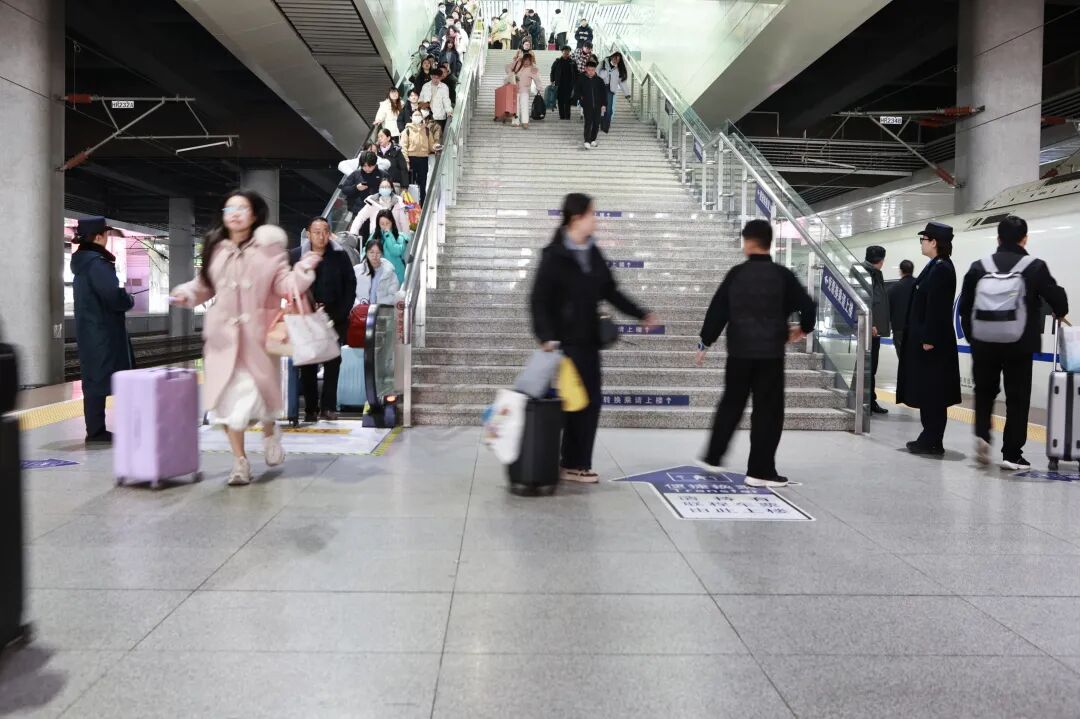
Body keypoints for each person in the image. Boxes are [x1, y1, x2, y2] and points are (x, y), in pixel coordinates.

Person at [170, 190, 320, 486]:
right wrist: (186, 293)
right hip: (222, 340)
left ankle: (269, 430)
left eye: (242, 208)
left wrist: (303, 270)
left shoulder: (270, 250)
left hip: (257, 339)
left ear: (254, 215)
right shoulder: (216, 248)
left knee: (257, 398)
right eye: (229, 208)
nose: (235, 213)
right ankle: (240, 463)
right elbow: (204, 285)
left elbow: (284, 284)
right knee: (226, 407)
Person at [530, 193, 658, 483]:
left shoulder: (592, 251)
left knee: (588, 402)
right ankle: (569, 463)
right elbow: (539, 300)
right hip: (563, 344)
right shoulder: (554, 255)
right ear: (577, 218)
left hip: (588, 341)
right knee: (577, 402)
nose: (595, 219)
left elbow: (610, 291)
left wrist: (641, 313)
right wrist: (546, 336)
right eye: (592, 214)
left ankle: (573, 462)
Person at [695, 220, 816, 487]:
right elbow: (808, 305)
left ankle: (713, 456)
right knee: (768, 411)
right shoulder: (783, 275)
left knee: (731, 404)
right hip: (770, 355)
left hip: (738, 353)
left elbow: (718, 310)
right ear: (769, 243)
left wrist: (705, 342)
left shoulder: (736, 274)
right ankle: (760, 471)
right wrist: (803, 328)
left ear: (748, 242)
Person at [958, 215, 1068, 470]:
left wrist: (975, 340)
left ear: (998, 239)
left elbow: (964, 308)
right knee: (1017, 398)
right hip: (1019, 343)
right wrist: (1059, 311)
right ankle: (1012, 454)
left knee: (984, 392)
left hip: (984, 342)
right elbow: (1058, 299)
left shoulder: (979, 266)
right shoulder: (1035, 266)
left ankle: (983, 436)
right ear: (1024, 238)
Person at [896, 221, 961, 456]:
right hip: (928, 342)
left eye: (923, 239)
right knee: (929, 391)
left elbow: (937, 306)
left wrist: (929, 337)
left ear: (934, 242)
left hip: (932, 344)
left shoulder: (942, 269)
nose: (921, 243)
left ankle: (932, 439)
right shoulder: (935, 266)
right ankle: (929, 437)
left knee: (933, 392)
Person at [70, 217, 134, 443]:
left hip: (90, 331)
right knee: (120, 379)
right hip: (104, 332)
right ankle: (107, 431)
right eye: (106, 235)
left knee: (95, 381)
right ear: (98, 237)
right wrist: (128, 299)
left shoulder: (82, 264)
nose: (107, 239)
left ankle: (96, 430)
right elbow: (113, 296)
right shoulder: (97, 263)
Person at [289, 217, 356, 423]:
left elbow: (350, 286)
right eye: (316, 231)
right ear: (308, 233)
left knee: (333, 361)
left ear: (330, 233)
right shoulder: (296, 256)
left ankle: (328, 407)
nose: (321, 235)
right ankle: (310, 409)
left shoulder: (340, 256)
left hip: (333, 317)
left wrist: (340, 313)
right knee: (308, 364)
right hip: (306, 317)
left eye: (325, 231)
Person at [856, 245, 891, 415]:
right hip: (869, 328)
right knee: (867, 364)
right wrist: (871, 323)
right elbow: (865, 299)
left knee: (871, 365)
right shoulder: (866, 272)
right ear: (881, 260)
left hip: (873, 328)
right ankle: (862, 401)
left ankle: (869, 399)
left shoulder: (874, 272)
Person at [401, 108, 442, 205]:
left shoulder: (427, 130)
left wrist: (435, 146)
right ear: (411, 117)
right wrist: (406, 161)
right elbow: (403, 147)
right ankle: (410, 204)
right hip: (411, 159)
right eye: (415, 115)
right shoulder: (407, 131)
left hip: (423, 159)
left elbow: (431, 145)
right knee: (411, 184)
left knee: (422, 183)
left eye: (419, 115)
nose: (417, 117)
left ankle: (422, 204)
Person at [348, 178, 410, 243]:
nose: (384, 189)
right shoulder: (372, 203)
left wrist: (406, 239)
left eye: (387, 187)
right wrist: (353, 233)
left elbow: (404, 223)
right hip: (376, 240)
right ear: (379, 189)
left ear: (391, 189)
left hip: (394, 240)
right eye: (382, 187)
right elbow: (360, 217)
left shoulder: (398, 203)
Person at [354, 238, 400, 307]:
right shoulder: (357, 270)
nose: (374, 256)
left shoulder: (389, 272)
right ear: (366, 253)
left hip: (381, 311)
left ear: (381, 254)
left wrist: (378, 303)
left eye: (378, 253)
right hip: (359, 311)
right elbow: (349, 292)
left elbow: (394, 295)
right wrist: (358, 305)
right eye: (371, 252)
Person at [571, 59, 607, 148]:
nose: (591, 72)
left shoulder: (599, 80)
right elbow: (577, 90)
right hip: (587, 105)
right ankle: (587, 140)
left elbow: (604, 94)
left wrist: (604, 104)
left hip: (598, 105)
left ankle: (593, 139)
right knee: (588, 122)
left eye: (593, 70)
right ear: (586, 69)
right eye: (589, 70)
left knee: (596, 123)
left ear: (595, 70)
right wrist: (581, 98)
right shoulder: (581, 79)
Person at [507, 52, 544, 129]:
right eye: (525, 60)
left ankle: (525, 122)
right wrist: (516, 61)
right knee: (515, 107)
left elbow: (537, 79)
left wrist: (539, 88)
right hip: (515, 89)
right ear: (523, 60)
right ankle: (515, 121)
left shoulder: (532, 69)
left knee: (524, 106)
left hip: (525, 90)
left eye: (528, 60)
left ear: (531, 61)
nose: (526, 62)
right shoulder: (518, 65)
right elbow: (507, 67)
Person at [372, 209, 409, 283]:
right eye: (382, 224)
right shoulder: (374, 237)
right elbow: (366, 251)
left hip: (396, 276)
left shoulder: (400, 237)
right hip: (379, 276)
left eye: (387, 223)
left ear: (392, 222)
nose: (385, 226)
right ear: (378, 224)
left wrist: (388, 235)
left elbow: (395, 251)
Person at [597, 52, 630, 133]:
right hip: (601, 88)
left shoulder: (619, 69)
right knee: (601, 108)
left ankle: (606, 127)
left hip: (610, 90)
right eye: (615, 58)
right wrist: (606, 72)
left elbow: (622, 82)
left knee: (609, 110)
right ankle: (602, 124)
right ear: (611, 57)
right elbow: (596, 73)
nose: (616, 61)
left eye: (618, 59)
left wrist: (627, 94)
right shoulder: (603, 63)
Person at [888, 259, 916, 355]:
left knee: (902, 357)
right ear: (912, 270)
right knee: (915, 358)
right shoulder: (920, 285)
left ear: (900, 271)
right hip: (916, 328)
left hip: (899, 329)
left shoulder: (893, 288)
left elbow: (888, 309)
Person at [550, 46, 578, 120]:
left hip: (569, 85)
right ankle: (562, 116)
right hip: (559, 84)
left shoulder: (572, 62)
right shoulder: (557, 62)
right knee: (560, 101)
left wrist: (576, 83)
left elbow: (576, 73)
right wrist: (552, 81)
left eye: (568, 51)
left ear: (569, 52)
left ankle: (567, 116)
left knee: (568, 101)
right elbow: (552, 72)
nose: (566, 53)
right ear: (562, 52)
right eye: (565, 51)